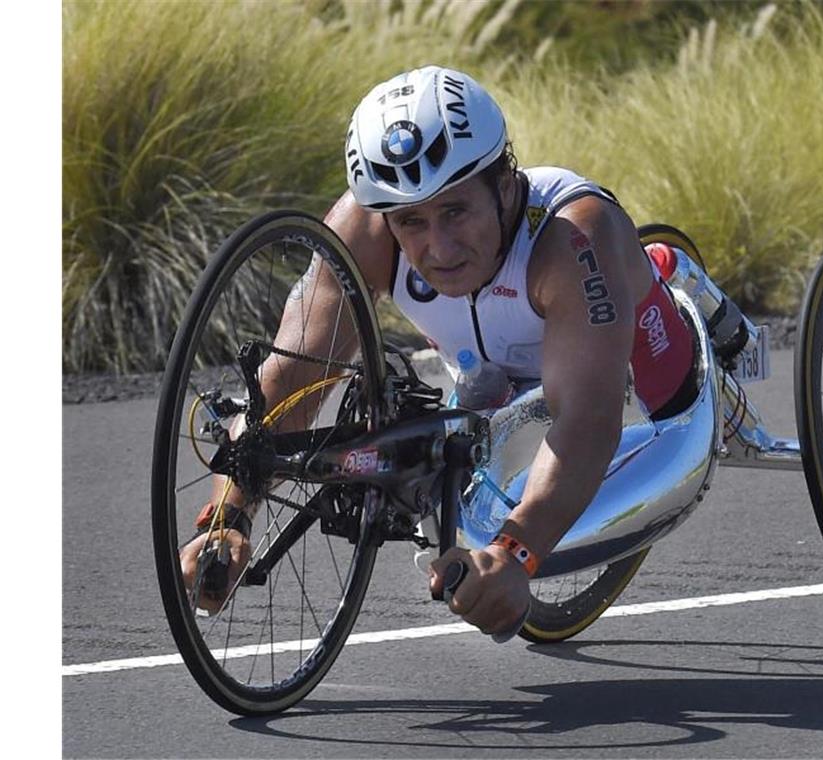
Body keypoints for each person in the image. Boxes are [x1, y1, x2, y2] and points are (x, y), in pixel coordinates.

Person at [179, 66, 697, 639]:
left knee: (505, 517)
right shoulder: (365, 229)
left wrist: (517, 553)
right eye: (412, 222)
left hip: (637, 386)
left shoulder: (570, 239)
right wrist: (229, 515)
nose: (438, 248)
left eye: (455, 211)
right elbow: (291, 377)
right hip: (493, 385)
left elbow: (587, 420)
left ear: (504, 186)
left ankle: (675, 281)